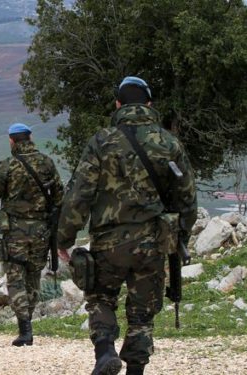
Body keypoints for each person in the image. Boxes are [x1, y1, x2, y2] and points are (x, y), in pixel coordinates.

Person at [57, 77, 197, 375]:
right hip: (153, 242)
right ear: (149, 105)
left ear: (118, 105)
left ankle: (105, 351)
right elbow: (187, 195)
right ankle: (135, 370)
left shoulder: (101, 141)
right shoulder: (169, 142)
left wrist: (64, 238)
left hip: (109, 242)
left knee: (100, 297)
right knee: (142, 314)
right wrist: (180, 234)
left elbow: (79, 193)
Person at [0, 123, 64, 347]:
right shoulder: (46, 162)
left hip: (14, 232)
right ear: (30, 138)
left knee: (16, 279)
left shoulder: (7, 166)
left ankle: (25, 328)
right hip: (41, 231)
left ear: (11, 141)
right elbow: (59, 196)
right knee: (33, 276)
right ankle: (28, 322)